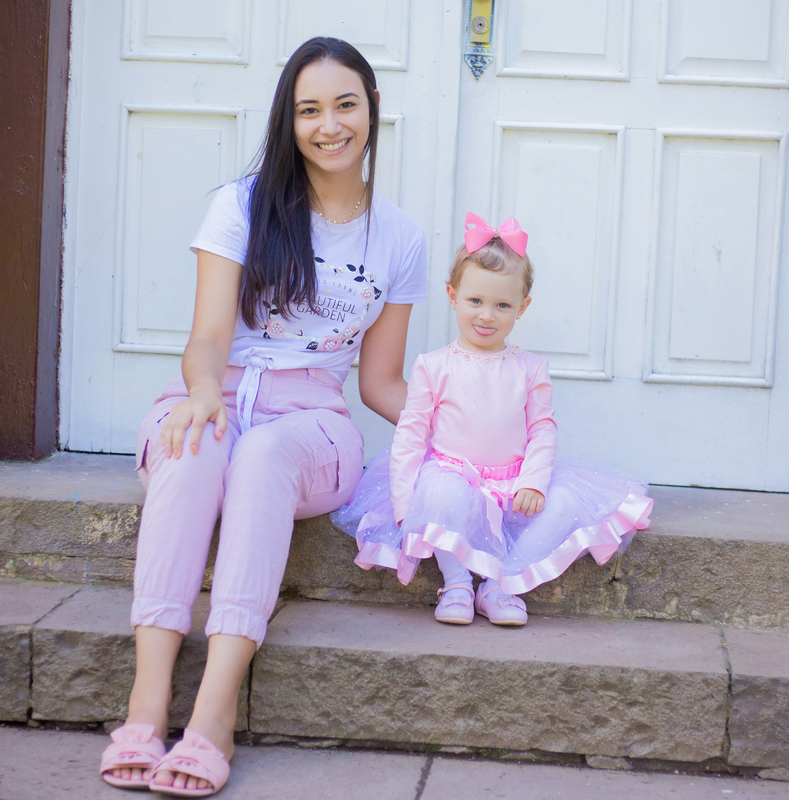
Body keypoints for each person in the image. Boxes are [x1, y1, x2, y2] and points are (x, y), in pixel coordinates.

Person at [98, 37, 427, 796]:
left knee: (263, 453)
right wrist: (204, 390)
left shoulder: (399, 238)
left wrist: (463, 432)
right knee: (195, 448)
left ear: (372, 110)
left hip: (313, 426)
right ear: (290, 119)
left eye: (346, 105)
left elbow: (380, 381)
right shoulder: (242, 205)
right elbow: (208, 337)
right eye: (309, 110)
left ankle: (213, 712)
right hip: (220, 394)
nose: (329, 125)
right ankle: (146, 707)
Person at [332, 214, 653, 627]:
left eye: (502, 305)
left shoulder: (530, 368)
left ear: (523, 306)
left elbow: (542, 429)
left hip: (513, 483)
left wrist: (534, 480)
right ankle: (458, 582)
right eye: (475, 301)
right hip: (453, 474)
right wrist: (404, 499)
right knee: (438, 494)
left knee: (565, 503)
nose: (487, 315)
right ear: (452, 296)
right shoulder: (434, 365)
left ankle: (500, 584)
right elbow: (411, 434)